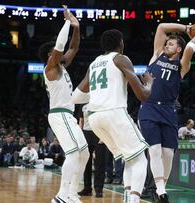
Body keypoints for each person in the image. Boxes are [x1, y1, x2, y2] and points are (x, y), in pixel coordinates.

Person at [70, 29, 154, 203]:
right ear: (120, 43)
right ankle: (134, 200)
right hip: (113, 113)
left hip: (94, 119)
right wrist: (149, 84)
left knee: (129, 158)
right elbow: (143, 96)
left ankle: (128, 198)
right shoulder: (121, 59)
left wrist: (99, 94)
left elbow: (76, 97)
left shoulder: (94, 63)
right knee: (140, 158)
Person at [138, 23, 195, 202]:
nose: (166, 45)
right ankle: (161, 191)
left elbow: (188, 53)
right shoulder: (156, 55)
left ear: (178, 48)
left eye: (170, 44)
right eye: (166, 43)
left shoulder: (182, 66)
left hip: (168, 110)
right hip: (149, 107)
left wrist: (193, 39)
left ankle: (159, 189)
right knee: (154, 150)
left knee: (168, 153)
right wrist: (188, 28)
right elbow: (162, 27)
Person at [38, 6, 89, 203]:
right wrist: (67, 21)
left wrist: (76, 27)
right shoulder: (50, 68)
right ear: (50, 56)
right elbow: (60, 46)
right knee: (74, 152)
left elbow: (73, 48)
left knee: (83, 153)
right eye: (55, 53)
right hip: (59, 114)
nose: (59, 54)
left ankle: (72, 193)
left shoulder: (62, 66)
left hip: (68, 115)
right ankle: (61, 196)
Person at [77, 104, 107, 198]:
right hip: (86, 133)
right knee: (86, 162)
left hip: (98, 133)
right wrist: (80, 135)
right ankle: (87, 188)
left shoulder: (100, 101)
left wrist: (103, 135)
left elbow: (104, 119)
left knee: (99, 163)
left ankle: (99, 189)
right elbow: (81, 120)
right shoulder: (82, 104)